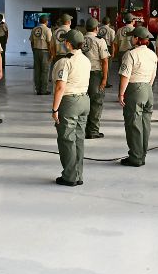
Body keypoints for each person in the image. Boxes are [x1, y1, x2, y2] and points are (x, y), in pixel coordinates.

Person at [51, 29, 91, 187]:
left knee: (67, 140)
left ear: (68, 43)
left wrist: (55, 109)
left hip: (69, 102)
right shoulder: (86, 60)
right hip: (84, 101)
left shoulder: (65, 61)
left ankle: (69, 176)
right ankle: (78, 174)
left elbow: (60, 87)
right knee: (79, 139)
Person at [118, 26, 158, 167]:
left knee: (134, 124)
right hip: (148, 89)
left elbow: (125, 76)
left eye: (132, 37)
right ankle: (142, 154)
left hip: (134, 89)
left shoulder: (131, 54)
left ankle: (135, 157)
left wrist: (121, 93)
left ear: (136, 39)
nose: (130, 39)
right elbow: (153, 75)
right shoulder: (152, 54)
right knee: (145, 124)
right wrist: (147, 87)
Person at [82, 17, 109, 139]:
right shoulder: (99, 41)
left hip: (81, 73)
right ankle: (92, 131)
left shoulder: (81, 39)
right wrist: (104, 79)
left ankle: (82, 129)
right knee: (96, 102)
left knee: (83, 102)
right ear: (96, 28)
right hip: (95, 74)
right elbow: (104, 61)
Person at [31, 15, 53, 95]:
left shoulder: (34, 29)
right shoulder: (47, 30)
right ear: (46, 21)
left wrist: (33, 50)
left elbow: (32, 42)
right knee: (45, 71)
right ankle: (43, 90)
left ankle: (37, 89)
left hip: (36, 51)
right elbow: (49, 42)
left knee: (37, 71)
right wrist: (51, 53)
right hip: (45, 52)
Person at [98, 17, 117, 88]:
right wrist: (113, 52)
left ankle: (99, 80)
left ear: (102, 22)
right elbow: (112, 43)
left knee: (100, 64)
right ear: (109, 23)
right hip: (107, 48)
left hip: (99, 47)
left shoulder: (98, 29)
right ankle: (106, 82)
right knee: (107, 66)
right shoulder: (111, 30)